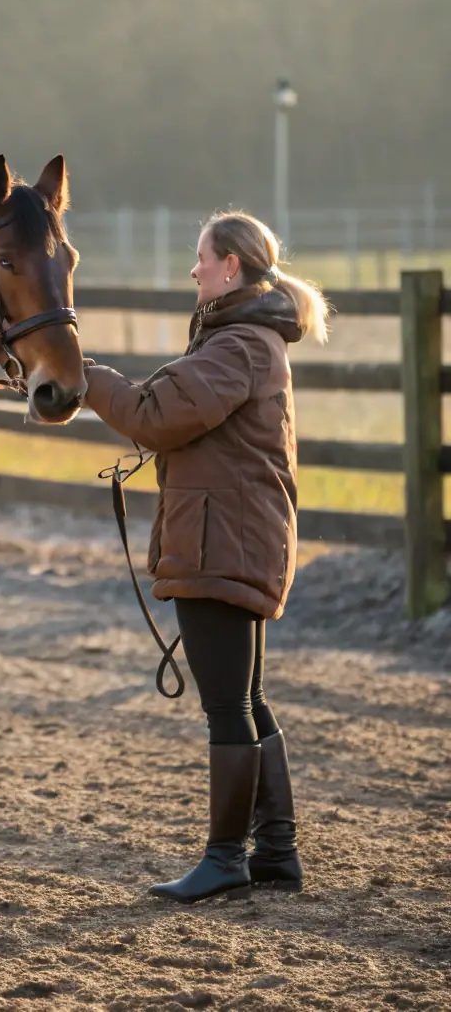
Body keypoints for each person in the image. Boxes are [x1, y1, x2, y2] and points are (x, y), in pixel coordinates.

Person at [83, 211, 329, 903]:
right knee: (244, 697)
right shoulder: (243, 340)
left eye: (201, 257)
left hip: (221, 541)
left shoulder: (238, 347)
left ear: (230, 266)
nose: (192, 269)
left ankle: (226, 858)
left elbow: (154, 416)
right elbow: (170, 412)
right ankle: (276, 850)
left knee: (227, 704)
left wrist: (81, 375)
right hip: (231, 537)